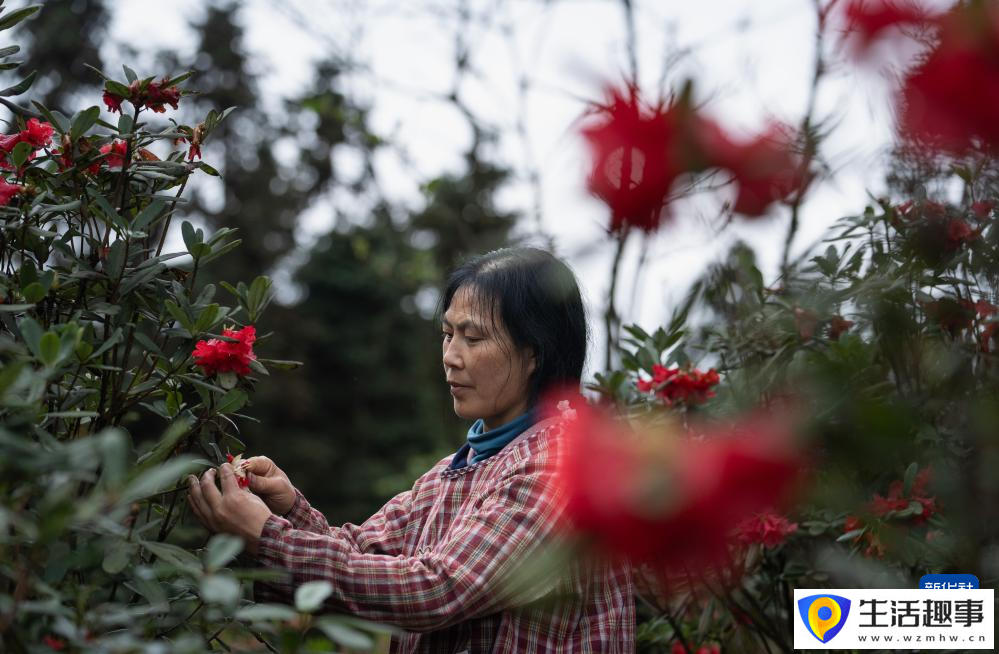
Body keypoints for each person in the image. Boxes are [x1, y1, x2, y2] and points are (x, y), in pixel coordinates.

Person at [186, 247, 635, 652]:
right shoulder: (454, 472)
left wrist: (268, 537)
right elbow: (362, 555)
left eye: (472, 338)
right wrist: (286, 511)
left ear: (535, 353)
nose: (451, 356)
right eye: (447, 334)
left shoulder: (557, 467)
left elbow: (436, 588)